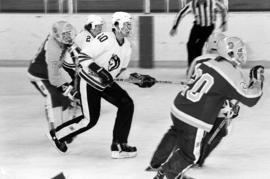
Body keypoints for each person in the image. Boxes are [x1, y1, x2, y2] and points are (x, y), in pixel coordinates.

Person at [152, 36, 264, 179]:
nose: (243, 54)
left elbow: (216, 91)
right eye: (239, 51)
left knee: (185, 144)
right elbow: (250, 99)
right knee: (190, 155)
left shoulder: (210, 62)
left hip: (178, 108)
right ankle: (165, 174)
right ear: (230, 53)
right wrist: (257, 82)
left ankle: (171, 172)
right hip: (194, 118)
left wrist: (226, 104)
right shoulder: (232, 72)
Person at [49, 12, 156, 159]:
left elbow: (121, 71)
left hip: (105, 83)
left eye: (130, 24)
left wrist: (138, 79)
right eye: (126, 24)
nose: (129, 27)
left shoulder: (127, 47)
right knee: (90, 120)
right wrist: (100, 71)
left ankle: (119, 146)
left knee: (126, 104)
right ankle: (57, 134)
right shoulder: (105, 38)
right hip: (88, 81)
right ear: (117, 25)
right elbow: (83, 56)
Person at [27, 20, 78, 148]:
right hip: (39, 75)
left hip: (50, 73)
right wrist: (67, 88)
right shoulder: (52, 47)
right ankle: (54, 132)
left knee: (65, 99)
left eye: (68, 33)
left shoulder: (61, 41)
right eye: (64, 34)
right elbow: (54, 77)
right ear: (57, 35)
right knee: (53, 96)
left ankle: (64, 129)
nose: (68, 36)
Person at [169, 0, 228, 69]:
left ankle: (197, 66)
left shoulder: (212, 2)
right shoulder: (192, 4)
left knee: (199, 45)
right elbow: (181, 13)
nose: (201, 2)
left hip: (208, 27)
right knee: (190, 44)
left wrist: (224, 22)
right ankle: (191, 66)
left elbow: (223, 9)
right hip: (197, 26)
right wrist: (175, 27)